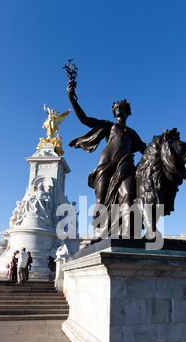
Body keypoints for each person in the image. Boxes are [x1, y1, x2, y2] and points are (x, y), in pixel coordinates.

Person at [67, 79, 146, 241]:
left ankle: (128, 229)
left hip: (125, 165)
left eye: (121, 107)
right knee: (100, 199)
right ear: (113, 112)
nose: (118, 109)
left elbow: (147, 151)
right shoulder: (109, 126)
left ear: (127, 111)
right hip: (106, 164)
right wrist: (72, 99)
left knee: (129, 194)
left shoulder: (132, 133)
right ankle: (99, 230)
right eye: (116, 108)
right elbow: (84, 119)